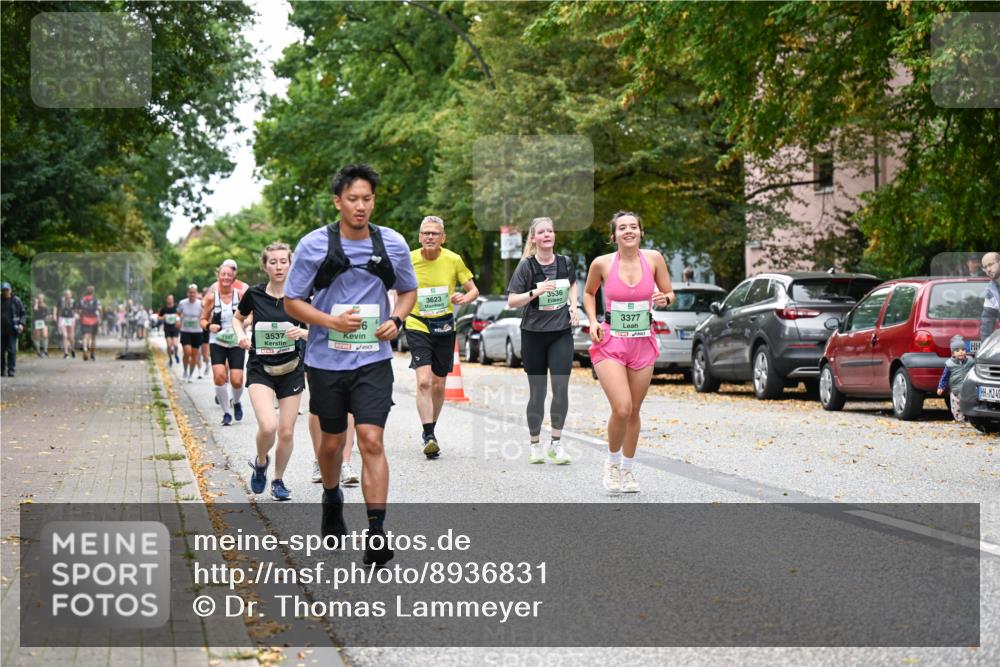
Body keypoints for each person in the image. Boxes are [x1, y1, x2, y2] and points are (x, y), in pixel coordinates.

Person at [284, 163, 417, 566]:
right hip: (326, 360)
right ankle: (331, 496)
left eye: (368, 199)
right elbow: (292, 301)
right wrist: (331, 322)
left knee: (371, 440)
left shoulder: (392, 243)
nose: (361, 206)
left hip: (373, 360)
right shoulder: (313, 245)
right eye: (353, 199)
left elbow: (408, 291)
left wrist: (397, 320)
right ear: (338, 202)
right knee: (331, 444)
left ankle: (376, 532)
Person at [583, 211, 675, 494]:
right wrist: (593, 320)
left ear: (641, 232)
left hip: (642, 342)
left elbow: (670, 294)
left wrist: (665, 298)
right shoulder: (602, 263)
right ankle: (611, 465)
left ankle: (628, 469)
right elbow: (589, 293)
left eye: (633, 226)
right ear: (614, 236)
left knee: (634, 410)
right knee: (621, 407)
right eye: (622, 228)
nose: (628, 231)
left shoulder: (654, 259)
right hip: (611, 343)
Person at [234, 242, 309, 501]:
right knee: (268, 427)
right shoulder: (254, 295)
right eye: (273, 262)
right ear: (265, 266)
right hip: (260, 369)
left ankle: (278, 480)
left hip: (291, 369)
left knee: (286, 431)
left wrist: (303, 332)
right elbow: (236, 318)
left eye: (283, 261)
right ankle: (261, 461)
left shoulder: (301, 296)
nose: (278, 266)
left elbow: (320, 330)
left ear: (290, 264)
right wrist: (241, 334)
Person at [505, 217, 578, 465]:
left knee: (560, 388)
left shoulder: (565, 263)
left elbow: (573, 284)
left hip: (560, 333)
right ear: (534, 238)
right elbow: (512, 301)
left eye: (550, 231)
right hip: (533, 335)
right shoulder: (526, 267)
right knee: (538, 392)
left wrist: (573, 306)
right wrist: (536, 291)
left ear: (554, 236)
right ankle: (535, 444)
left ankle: (556, 444)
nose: (547, 235)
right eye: (541, 232)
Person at [405, 215, 479, 458]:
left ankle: (431, 428)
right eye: (425, 233)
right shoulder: (409, 259)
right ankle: (428, 434)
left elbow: (473, 290)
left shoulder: (453, 259)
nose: (429, 237)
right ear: (419, 237)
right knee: (424, 380)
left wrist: (464, 298)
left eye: (434, 233)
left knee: (438, 383)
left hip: (444, 325)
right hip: (417, 322)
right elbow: (398, 287)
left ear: (442, 238)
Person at [201, 263, 246, 425]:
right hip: (217, 341)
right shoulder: (212, 298)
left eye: (229, 275)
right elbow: (203, 319)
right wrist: (208, 326)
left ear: (234, 278)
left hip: (236, 340)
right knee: (219, 376)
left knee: (237, 380)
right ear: (218, 276)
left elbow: (252, 315)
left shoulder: (240, 295)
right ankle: (226, 413)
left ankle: (237, 401)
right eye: (223, 274)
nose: (226, 277)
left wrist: (246, 322)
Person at [937, 335, 975, 423]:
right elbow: (944, 377)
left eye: (963, 350)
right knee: (957, 409)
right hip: (956, 391)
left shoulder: (970, 361)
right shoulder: (949, 364)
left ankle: (970, 420)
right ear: (953, 353)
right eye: (957, 351)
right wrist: (941, 387)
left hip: (967, 391)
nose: (961, 352)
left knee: (969, 405)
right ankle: (960, 420)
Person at [178, 285, 204, 382]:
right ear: (187, 293)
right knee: (187, 352)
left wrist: (203, 319)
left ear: (196, 293)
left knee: (194, 355)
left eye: (194, 292)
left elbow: (205, 315)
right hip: (185, 331)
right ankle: (185, 370)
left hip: (197, 332)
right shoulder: (182, 303)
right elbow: (178, 313)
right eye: (190, 292)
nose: (192, 294)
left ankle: (190, 374)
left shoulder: (201, 304)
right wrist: (178, 319)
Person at [1, 282, 25, 376]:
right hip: (1, 329)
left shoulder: (16, 300)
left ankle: (11, 369)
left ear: (10, 290)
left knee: (11, 350)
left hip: (12, 328)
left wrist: (21, 324)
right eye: (3, 290)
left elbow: (23, 313)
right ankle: (1, 369)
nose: (5, 292)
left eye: (7, 290)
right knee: (0, 351)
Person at [77, 286, 101, 361]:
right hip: (94, 319)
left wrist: (81, 318)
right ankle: (93, 354)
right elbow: (100, 309)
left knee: (85, 336)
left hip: (85, 319)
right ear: (93, 292)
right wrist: (100, 317)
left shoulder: (82, 300)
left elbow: (79, 310)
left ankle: (85, 349)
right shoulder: (96, 300)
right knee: (93, 337)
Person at [980, 252, 1000, 342]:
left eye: (991, 264)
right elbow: (987, 320)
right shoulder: (991, 290)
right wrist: (985, 346)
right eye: (985, 267)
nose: (988, 269)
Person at [159, 294, 181, 366]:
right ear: (166, 300)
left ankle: (176, 354)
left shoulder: (176, 308)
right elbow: (158, 317)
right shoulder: (164, 309)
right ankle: (170, 359)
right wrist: (163, 317)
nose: (170, 300)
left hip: (175, 328)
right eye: (169, 299)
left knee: (175, 344)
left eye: (172, 299)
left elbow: (181, 314)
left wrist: (178, 319)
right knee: (169, 345)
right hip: (167, 328)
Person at [57, 290, 76, 359]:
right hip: (63, 319)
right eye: (66, 294)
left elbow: (75, 310)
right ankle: (66, 353)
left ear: (71, 295)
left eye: (68, 294)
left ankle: (73, 349)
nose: (67, 295)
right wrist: (56, 317)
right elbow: (57, 308)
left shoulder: (73, 301)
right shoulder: (61, 301)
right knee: (65, 335)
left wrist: (75, 316)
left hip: (71, 319)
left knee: (71, 336)